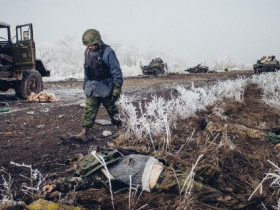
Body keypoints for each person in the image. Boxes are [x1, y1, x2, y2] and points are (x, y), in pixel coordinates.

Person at [43, 149, 253, 209]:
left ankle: (233, 192)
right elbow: (77, 182)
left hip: (159, 166)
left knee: (206, 171)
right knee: (196, 188)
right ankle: (238, 205)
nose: (81, 160)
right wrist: (58, 185)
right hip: (153, 178)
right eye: (78, 162)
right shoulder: (92, 174)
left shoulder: (105, 155)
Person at [74, 29, 123, 141]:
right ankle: (84, 132)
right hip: (92, 87)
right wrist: (85, 84)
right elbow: (87, 69)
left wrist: (117, 88)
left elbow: (116, 72)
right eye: (87, 45)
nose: (89, 47)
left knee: (113, 110)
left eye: (91, 45)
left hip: (107, 88)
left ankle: (120, 130)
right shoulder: (87, 52)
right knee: (89, 110)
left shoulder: (108, 52)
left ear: (97, 42)